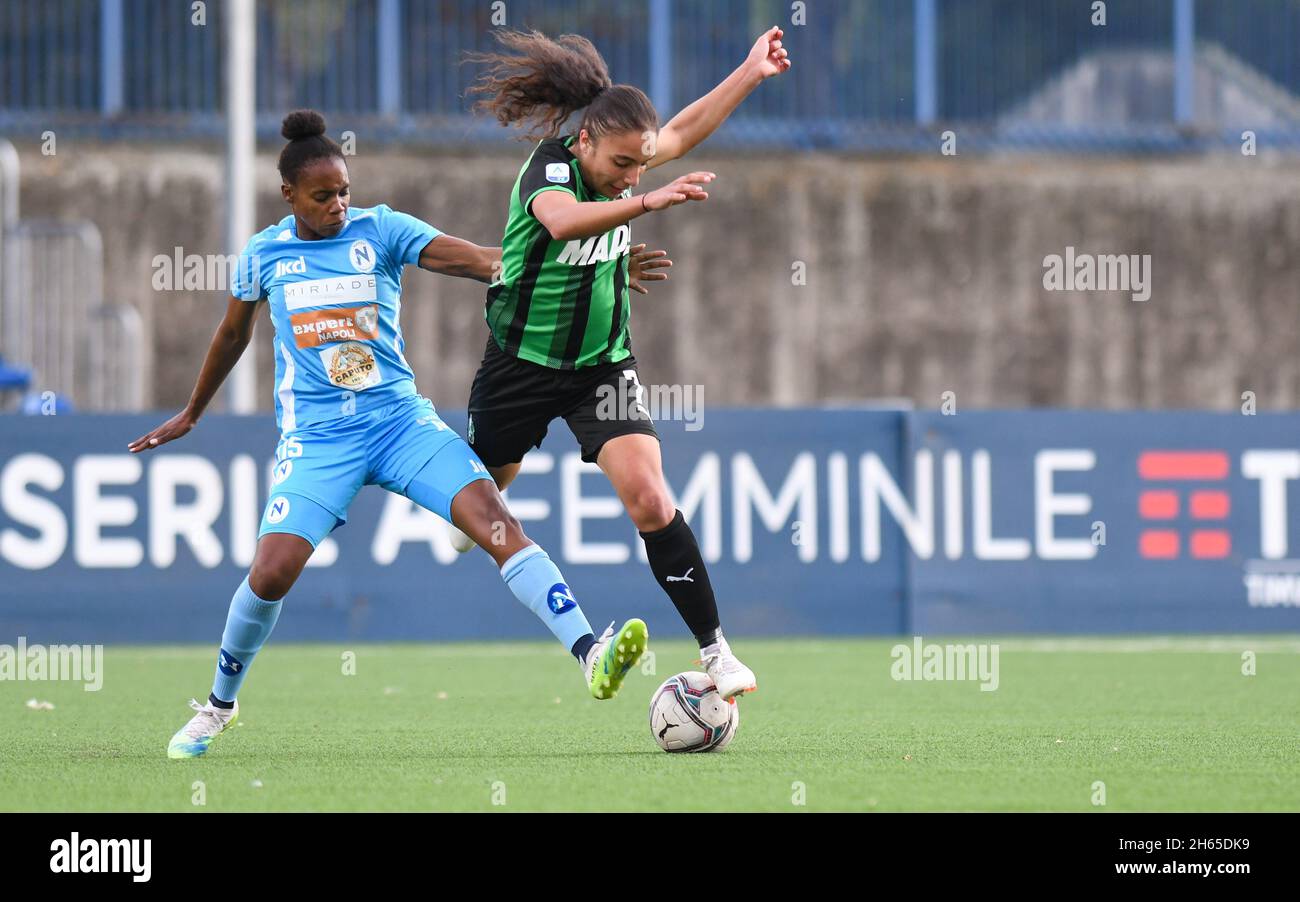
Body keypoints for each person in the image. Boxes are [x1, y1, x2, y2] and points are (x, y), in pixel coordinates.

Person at [131, 110, 655, 759]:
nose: (339, 205)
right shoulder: (265, 255)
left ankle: (589, 654)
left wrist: (587, 271)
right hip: (320, 439)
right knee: (271, 573)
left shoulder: (381, 230)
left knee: (496, 524)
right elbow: (232, 333)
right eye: (323, 196)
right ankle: (218, 706)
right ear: (288, 194)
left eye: (344, 190)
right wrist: (191, 411)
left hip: (400, 422)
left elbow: (482, 261)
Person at [449, 28, 792, 698]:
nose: (635, 174)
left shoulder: (626, 156)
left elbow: (685, 129)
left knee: (650, 497)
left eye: (644, 164)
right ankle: (478, 504)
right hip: (518, 364)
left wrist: (751, 70)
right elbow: (562, 221)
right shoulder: (551, 167)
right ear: (585, 143)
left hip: (600, 369)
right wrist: (645, 203)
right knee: (487, 486)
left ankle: (716, 652)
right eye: (623, 165)